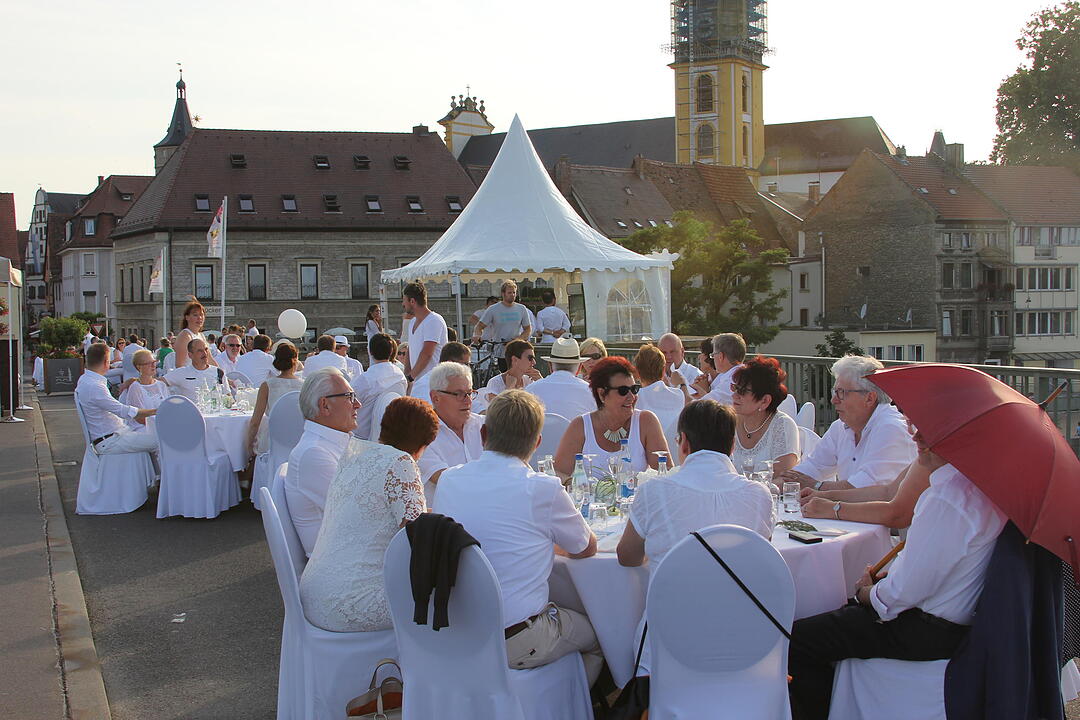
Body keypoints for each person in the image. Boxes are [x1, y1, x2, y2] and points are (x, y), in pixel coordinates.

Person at [787, 422, 1007, 720]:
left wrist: (868, 593)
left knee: (796, 641)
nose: (915, 436)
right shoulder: (981, 488)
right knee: (829, 626)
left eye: (927, 430)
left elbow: (904, 593)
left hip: (925, 629)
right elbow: (935, 568)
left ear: (955, 436)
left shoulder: (949, 498)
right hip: (954, 621)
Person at [434, 390, 603, 683]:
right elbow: (585, 547)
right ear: (537, 443)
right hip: (515, 638)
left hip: (455, 633)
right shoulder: (543, 488)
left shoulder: (449, 478)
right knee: (604, 636)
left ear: (484, 433)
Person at [300, 397, 436, 632]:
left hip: (314, 589)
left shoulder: (354, 453)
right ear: (423, 444)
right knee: (447, 597)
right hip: (349, 601)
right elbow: (417, 541)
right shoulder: (401, 462)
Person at [777, 354, 916, 492]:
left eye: (841, 393)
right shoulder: (840, 427)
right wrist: (767, 487)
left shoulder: (892, 429)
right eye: (834, 392)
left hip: (891, 513)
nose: (834, 400)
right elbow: (812, 467)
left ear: (869, 398)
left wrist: (815, 486)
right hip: (854, 512)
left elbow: (863, 489)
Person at [285, 368, 361, 556]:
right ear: (325, 405)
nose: (358, 404)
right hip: (341, 561)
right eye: (349, 397)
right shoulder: (314, 454)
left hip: (350, 549)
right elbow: (359, 512)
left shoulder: (334, 444)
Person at [553, 356, 669, 479]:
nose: (632, 397)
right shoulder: (581, 426)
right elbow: (559, 473)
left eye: (634, 389)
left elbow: (666, 474)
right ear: (602, 394)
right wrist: (575, 485)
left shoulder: (646, 422)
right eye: (623, 391)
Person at [417, 361, 483, 508]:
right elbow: (445, 480)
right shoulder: (420, 435)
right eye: (459, 394)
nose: (467, 400)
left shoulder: (484, 425)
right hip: (446, 521)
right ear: (435, 398)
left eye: (470, 393)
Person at [74, 342, 158, 455]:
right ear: (106, 362)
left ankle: (145, 472)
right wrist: (156, 411)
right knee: (161, 441)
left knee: (153, 436)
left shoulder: (85, 380)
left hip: (112, 435)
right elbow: (123, 411)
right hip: (111, 440)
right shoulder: (95, 386)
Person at [729, 356, 800, 476]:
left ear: (765, 401)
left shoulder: (782, 426)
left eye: (742, 391)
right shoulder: (729, 422)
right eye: (735, 388)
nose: (734, 396)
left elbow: (784, 479)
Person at [246, 343, 304, 458]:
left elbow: (255, 422)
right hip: (298, 440)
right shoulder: (305, 386)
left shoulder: (267, 385)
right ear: (295, 360)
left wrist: (248, 447)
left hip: (272, 440)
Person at [351, 333, 408, 440]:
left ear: (370, 352)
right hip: (391, 435)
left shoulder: (365, 379)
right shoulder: (400, 376)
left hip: (363, 438)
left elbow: (349, 405)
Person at [525, 337, 594, 421]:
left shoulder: (530, 390)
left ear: (550, 366)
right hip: (577, 434)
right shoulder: (591, 392)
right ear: (579, 368)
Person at [471, 281, 532, 371]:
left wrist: (518, 340)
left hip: (515, 350)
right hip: (499, 349)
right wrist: (477, 336)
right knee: (501, 374)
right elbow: (480, 326)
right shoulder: (493, 309)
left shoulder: (521, 309)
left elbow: (528, 329)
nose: (512, 295)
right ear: (503, 294)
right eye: (509, 292)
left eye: (514, 292)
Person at [402, 282, 448, 383]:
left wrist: (411, 377)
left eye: (404, 300)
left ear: (412, 301)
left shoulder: (434, 320)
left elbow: (427, 353)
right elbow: (410, 349)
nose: (403, 304)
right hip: (416, 382)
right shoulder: (412, 322)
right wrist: (406, 376)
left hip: (432, 383)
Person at [633, 343, 689, 416]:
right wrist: (682, 384)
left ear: (637, 373)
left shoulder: (634, 400)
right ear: (663, 371)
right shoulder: (678, 394)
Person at [692, 333, 746, 406]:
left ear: (721, 356)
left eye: (713, 355)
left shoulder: (732, 380)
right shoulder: (741, 374)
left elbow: (705, 407)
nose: (713, 359)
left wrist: (682, 385)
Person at [481, 339, 541, 404]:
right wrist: (509, 389)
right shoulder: (495, 382)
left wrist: (542, 382)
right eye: (530, 358)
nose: (534, 362)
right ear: (515, 360)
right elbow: (497, 411)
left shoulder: (529, 380)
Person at [121, 349, 169, 427]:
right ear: (139, 367)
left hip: (162, 425)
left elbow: (168, 407)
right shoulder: (135, 388)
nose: (153, 365)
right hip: (144, 429)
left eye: (154, 362)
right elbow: (139, 418)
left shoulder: (161, 385)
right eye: (148, 363)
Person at [174, 300, 208, 369]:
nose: (199, 318)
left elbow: (209, 360)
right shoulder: (185, 336)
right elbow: (180, 365)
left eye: (201, 315)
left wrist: (222, 375)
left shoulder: (201, 336)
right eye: (195, 315)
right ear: (187, 317)